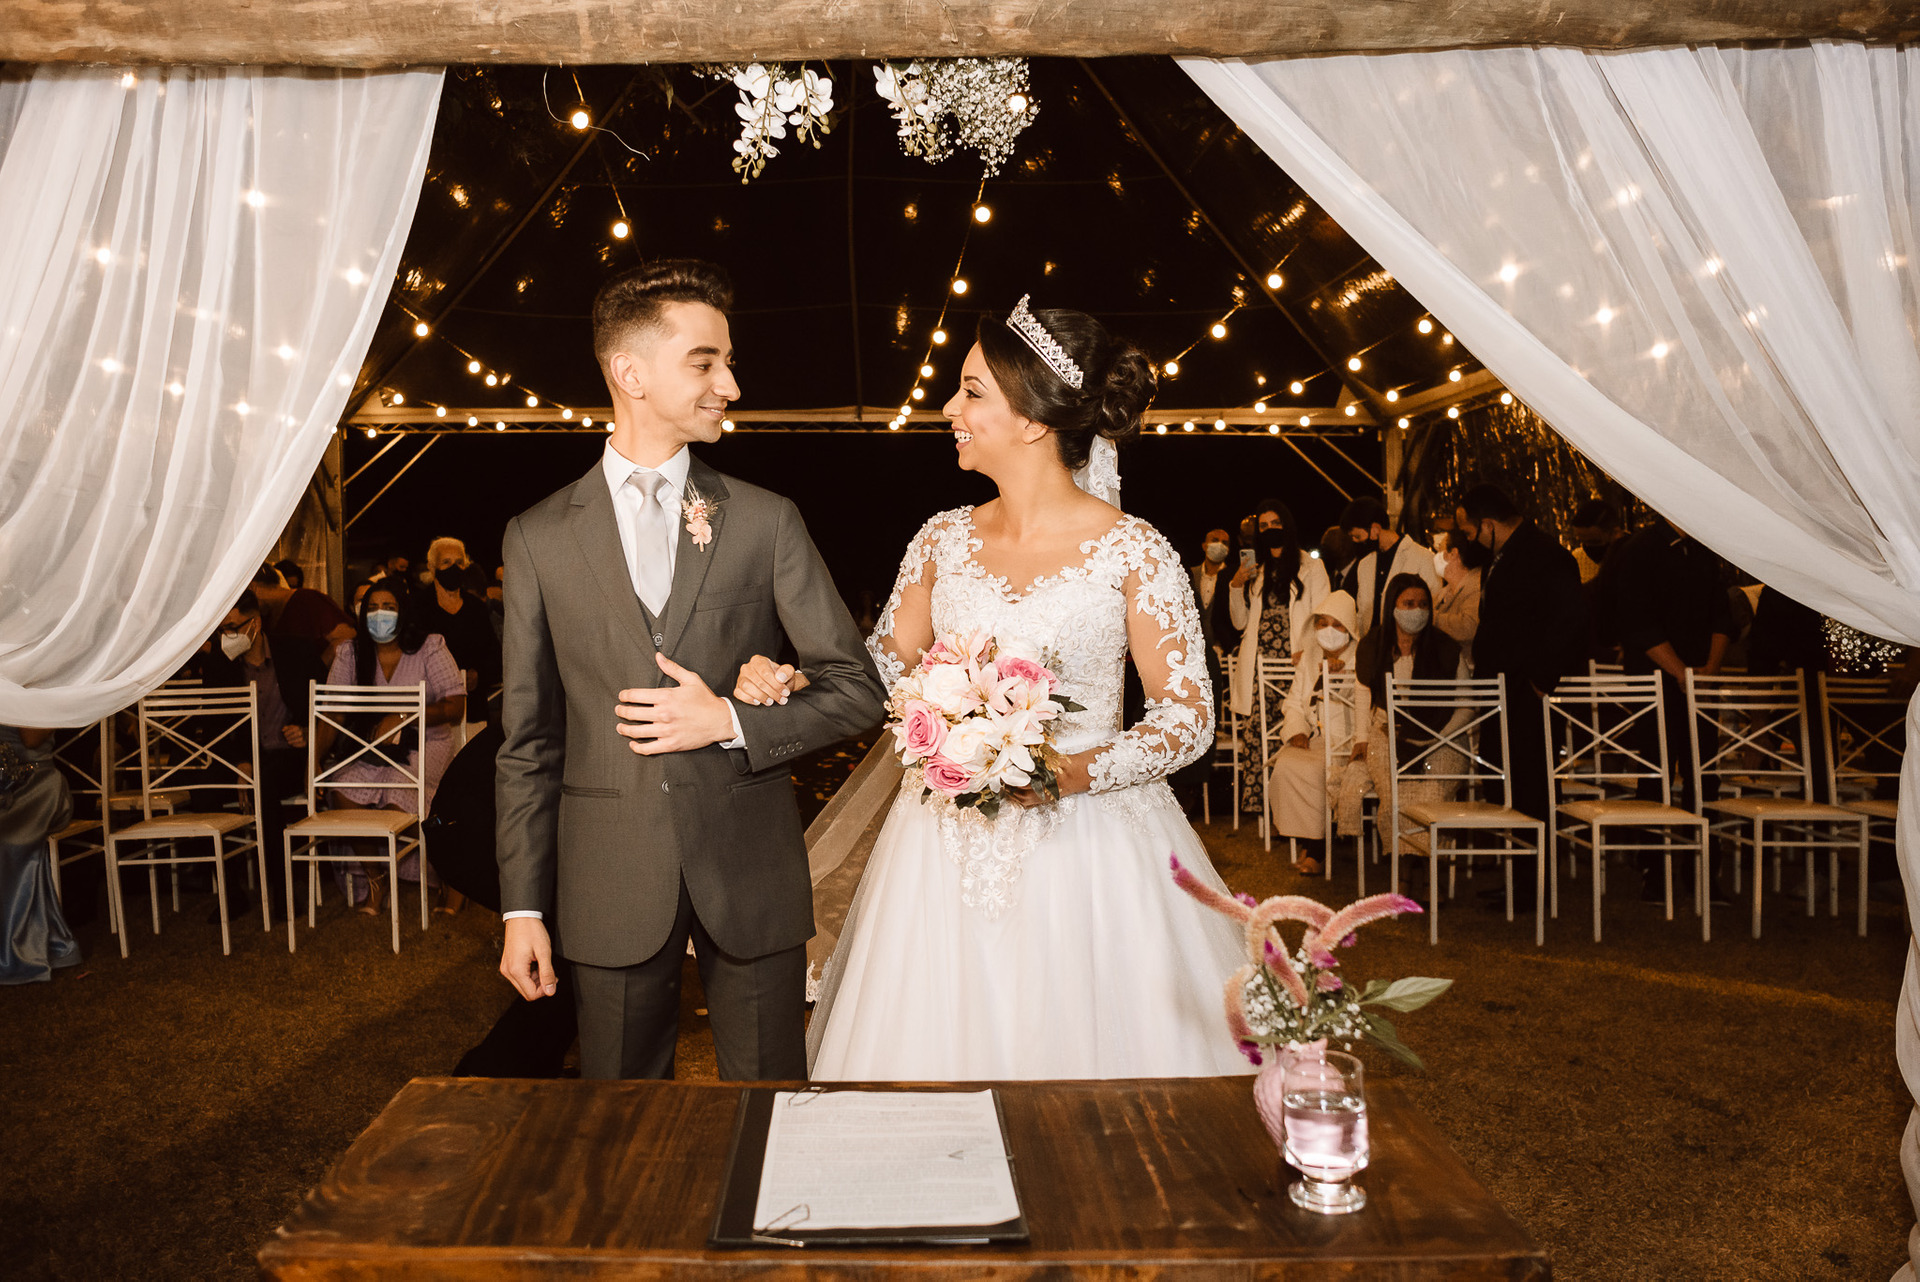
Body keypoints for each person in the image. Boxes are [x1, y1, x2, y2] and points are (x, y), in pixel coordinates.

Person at [772, 295, 1253, 1081]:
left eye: (970, 391)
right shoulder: (941, 539)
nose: (947, 408)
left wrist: (1071, 770)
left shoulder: (1134, 552)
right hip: (942, 849)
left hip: (1092, 853)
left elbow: (1188, 718)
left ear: (1032, 417)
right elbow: (880, 666)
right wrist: (794, 677)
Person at [497, 260, 885, 1083]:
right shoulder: (536, 537)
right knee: (623, 1124)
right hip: (608, 875)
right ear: (629, 373)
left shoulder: (766, 519)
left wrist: (735, 723)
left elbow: (857, 688)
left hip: (750, 869)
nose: (730, 385)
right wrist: (522, 908)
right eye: (705, 362)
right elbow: (528, 743)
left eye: (728, 362)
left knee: (769, 1106)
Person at [1457, 484, 1586, 904]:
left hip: (1526, 692)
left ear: (1489, 524)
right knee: (1505, 786)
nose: (1470, 540)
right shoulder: (1505, 555)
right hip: (1501, 690)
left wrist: (1540, 680)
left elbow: (1567, 622)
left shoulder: (1547, 555)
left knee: (1531, 787)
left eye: (1472, 531)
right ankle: (1518, 877)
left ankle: (1536, 884)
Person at [1603, 513, 1734, 899]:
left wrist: (1708, 671)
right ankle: (1654, 871)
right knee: (1655, 773)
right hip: (1655, 679)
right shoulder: (1639, 549)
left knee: (1705, 775)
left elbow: (1722, 616)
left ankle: (1705, 874)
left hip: (1701, 680)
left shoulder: (1705, 551)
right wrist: (1681, 673)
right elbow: (1637, 622)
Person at [318, 583, 466, 914]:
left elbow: (455, 707)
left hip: (426, 743)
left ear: (404, 610)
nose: (379, 614)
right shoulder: (351, 653)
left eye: (389, 606)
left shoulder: (430, 646)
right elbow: (332, 711)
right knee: (342, 790)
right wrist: (312, 762)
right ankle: (375, 877)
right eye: (371, 607)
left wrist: (405, 716)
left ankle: (449, 870)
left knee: (399, 797)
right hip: (371, 748)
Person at [202, 587, 321, 922]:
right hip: (243, 755)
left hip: (288, 754)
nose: (227, 635)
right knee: (205, 788)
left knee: (265, 786)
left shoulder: (295, 650)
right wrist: (239, 761)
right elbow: (213, 726)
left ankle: (281, 891)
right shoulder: (220, 665)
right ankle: (230, 891)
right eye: (223, 629)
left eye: (233, 627)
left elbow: (325, 708)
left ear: (255, 623)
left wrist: (308, 730)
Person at [1226, 500, 1330, 820]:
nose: (1270, 530)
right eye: (1264, 526)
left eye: (1276, 523)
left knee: (1297, 734)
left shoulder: (1310, 567)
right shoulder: (1256, 572)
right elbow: (1240, 623)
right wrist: (1236, 585)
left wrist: (1308, 648)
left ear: (1287, 524)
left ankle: (1297, 811)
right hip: (1260, 669)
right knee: (1259, 737)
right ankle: (1265, 812)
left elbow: (1323, 614)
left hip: (1297, 665)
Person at [1356, 574, 1470, 863]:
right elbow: (1363, 697)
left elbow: (1467, 705)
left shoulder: (1444, 647)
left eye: (1422, 604)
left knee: (1433, 792)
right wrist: (1362, 739)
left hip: (1445, 736)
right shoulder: (1375, 645)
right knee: (1396, 795)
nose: (1416, 610)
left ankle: (1430, 873)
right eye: (1408, 603)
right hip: (1388, 733)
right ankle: (1406, 873)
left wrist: (1436, 738)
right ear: (1392, 607)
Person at [1267, 591, 1367, 876]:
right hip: (1316, 739)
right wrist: (1298, 731)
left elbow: (1358, 699)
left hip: (1348, 742)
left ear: (1349, 627)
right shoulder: (1310, 656)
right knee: (1286, 764)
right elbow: (1295, 702)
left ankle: (1317, 848)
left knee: (1313, 771)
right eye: (1322, 623)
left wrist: (1339, 676)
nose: (1329, 631)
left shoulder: (1361, 657)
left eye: (1337, 625)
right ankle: (1311, 839)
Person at [0, 725, 82, 983]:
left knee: (8, 839)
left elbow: (32, 739)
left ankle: (18, 945)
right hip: (5, 787)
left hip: (39, 784)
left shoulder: (37, 686)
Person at [1341, 497, 1441, 639]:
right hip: (1373, 646)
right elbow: (1363, 614)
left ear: (1375, 529)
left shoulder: (1422, 558)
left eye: (1357, 536)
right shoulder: (1364, 564)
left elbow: (1432, 608)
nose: (1355, 542)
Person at [249, 562, 357, 671]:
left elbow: (347, 638)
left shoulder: (307, 599)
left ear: (253, 587)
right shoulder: (265, 617)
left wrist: (315, 671)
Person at [1431, 530, 1486, 670]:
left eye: (1440, 548)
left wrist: (1433, 619)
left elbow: (1469, 626)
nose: (1435, 555)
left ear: (1453, 554)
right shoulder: (1442, 593)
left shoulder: (1476, 585)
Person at [1190, 526, 1238, 659]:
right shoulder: (1190, 575)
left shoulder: (1234, 578)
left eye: (1225, 543)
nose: (1220, 545)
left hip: (1224, 651)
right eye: (1215, 540)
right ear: (1204, 546)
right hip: (1193, 649)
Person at [1568, 498, 1622, 585]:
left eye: (1594, 542)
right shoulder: (1577, 558)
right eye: (1583, 542)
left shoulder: (1635, 557)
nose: (1587, 547)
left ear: (1615, 533)